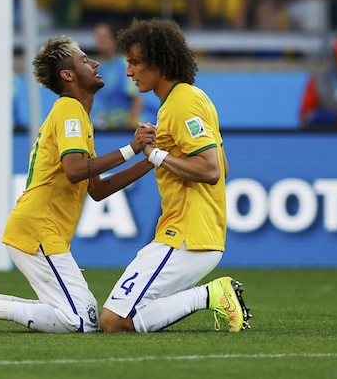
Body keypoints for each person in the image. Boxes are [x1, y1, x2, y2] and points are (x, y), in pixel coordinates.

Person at [0, 36, 155, 334]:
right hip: (38, 229)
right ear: (67, 75)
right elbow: (75, 170)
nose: (94, 63)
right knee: (82, 321)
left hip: (40, 230)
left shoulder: (77, 116)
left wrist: (152, 160)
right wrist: (131, 149)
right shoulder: (69, 110)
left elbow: (97, 190)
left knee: (83, 318)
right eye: (84, 60)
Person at [97, 19, 251, 334]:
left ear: (161, 62)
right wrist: (152, 152)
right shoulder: (189, 99)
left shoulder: (183, 103)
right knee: (121, 320)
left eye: (135, 62)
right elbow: (223, 165)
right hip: (188, 234)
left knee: (113, 321)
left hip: (186, 236)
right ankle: (212, 295)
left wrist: (155, 154)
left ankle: (211, 294)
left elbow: (211, 170)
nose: (129, 72)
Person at [91, 21, 142, 130]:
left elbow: (137, 101)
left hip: (123, 128)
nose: (100, 40)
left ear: (114, 39)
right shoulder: (98, 67)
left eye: (104, 36)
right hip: (105, 127)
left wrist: (126, 128)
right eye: (97, 37)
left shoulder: (125, 65)